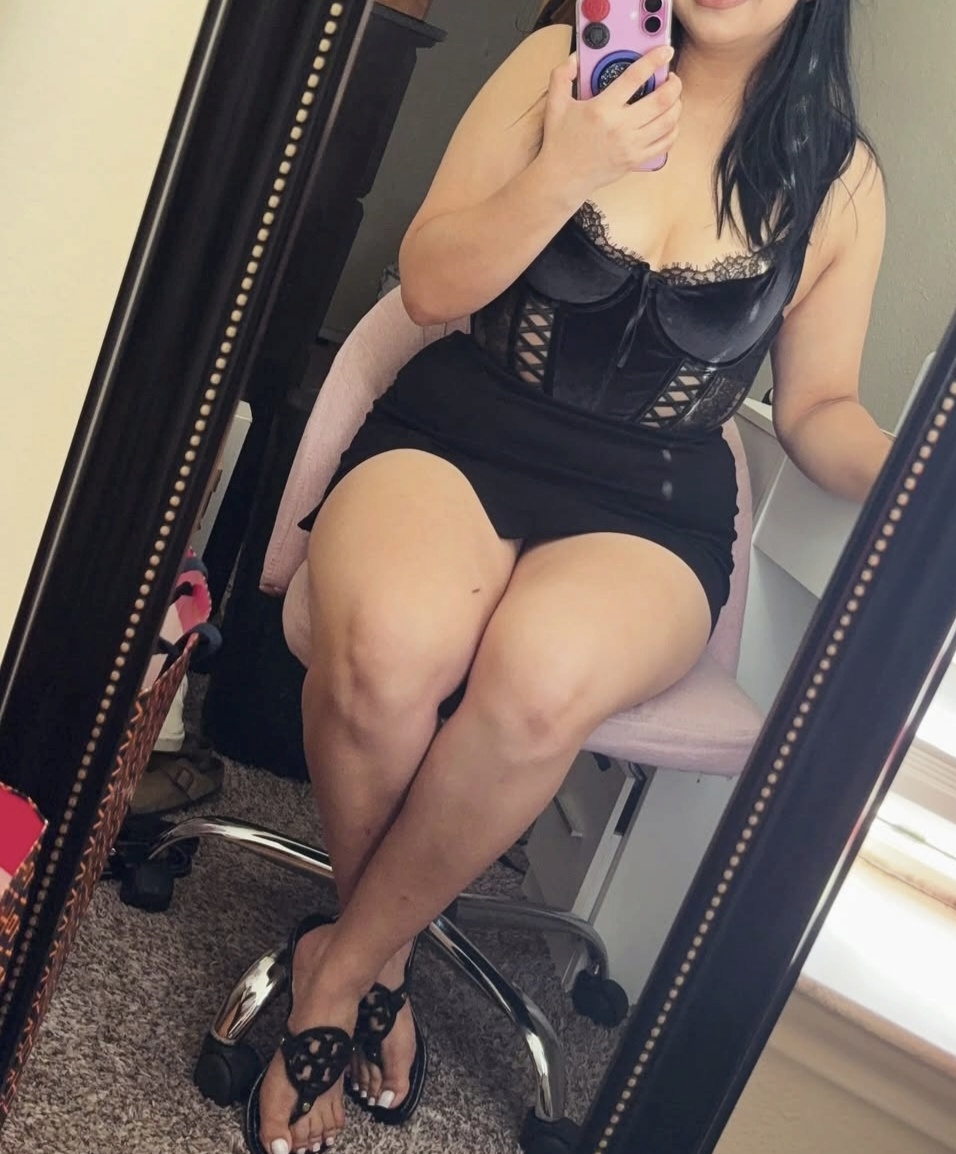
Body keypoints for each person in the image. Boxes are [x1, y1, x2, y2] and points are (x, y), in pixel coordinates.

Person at [248, 2, 890, 1152]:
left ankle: (335, 972)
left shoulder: (836, 177)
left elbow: (817, 407)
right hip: (460, 428)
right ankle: (378, 960)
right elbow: (429, 284)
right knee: (385, 648)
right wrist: (569, 165)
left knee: (538, 679)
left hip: (652, 497)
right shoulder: (557, 65)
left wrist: (911, 472)